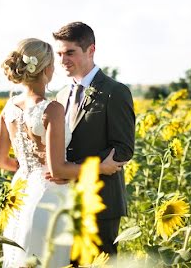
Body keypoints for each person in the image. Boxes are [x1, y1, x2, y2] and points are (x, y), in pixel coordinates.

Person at [0, 38, 124, 268]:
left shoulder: (9, 107)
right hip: (49, 199)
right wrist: (101, 167)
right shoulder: (51, 108)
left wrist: (30, 169)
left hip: (19, 197)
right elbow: (58, 169)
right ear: (46, 68)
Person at [52, 22, 136, 261]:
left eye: (70, 53)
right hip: (64, 200)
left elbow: (123, 149)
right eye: (59, 54)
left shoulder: (114, 91)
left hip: (101, 201)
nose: (63, 60)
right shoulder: (60, 94)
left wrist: (73, 169)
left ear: (91, 50)